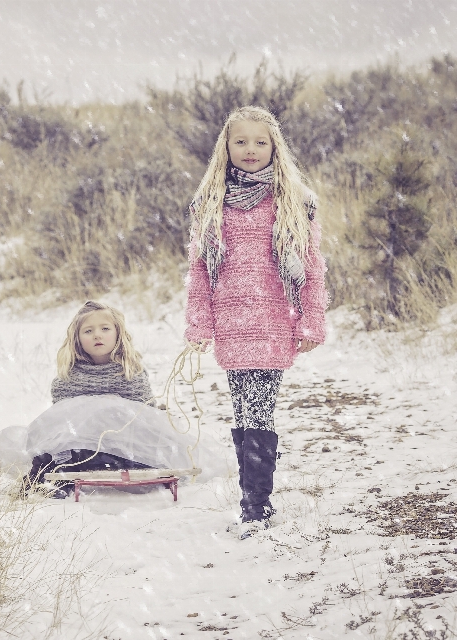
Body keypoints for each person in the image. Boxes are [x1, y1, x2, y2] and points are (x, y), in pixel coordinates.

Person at [184, 106, 328, 539]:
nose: (250, 150)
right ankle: (253, 499)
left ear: (274, 147)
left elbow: (312, 266)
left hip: (271, 319)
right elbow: (199, 270)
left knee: (259, 408)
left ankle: (256, 504)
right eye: (240, 141)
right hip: (231, 319)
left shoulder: (296, 201)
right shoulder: (209, 201)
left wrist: (310, 321)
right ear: (225, 147)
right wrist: (199, 323)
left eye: (260, 142)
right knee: (242, 407)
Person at [25, 301, 155, 496]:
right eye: (88, 331)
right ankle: (51, 482)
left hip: (124, 445)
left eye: (105, 328)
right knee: (50, 450)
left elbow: (147, 416)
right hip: (82, 450)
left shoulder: (130, 374)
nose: (97, 335)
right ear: (77, 339)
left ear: (118, 334)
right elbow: (61, 421)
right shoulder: (68, 378)